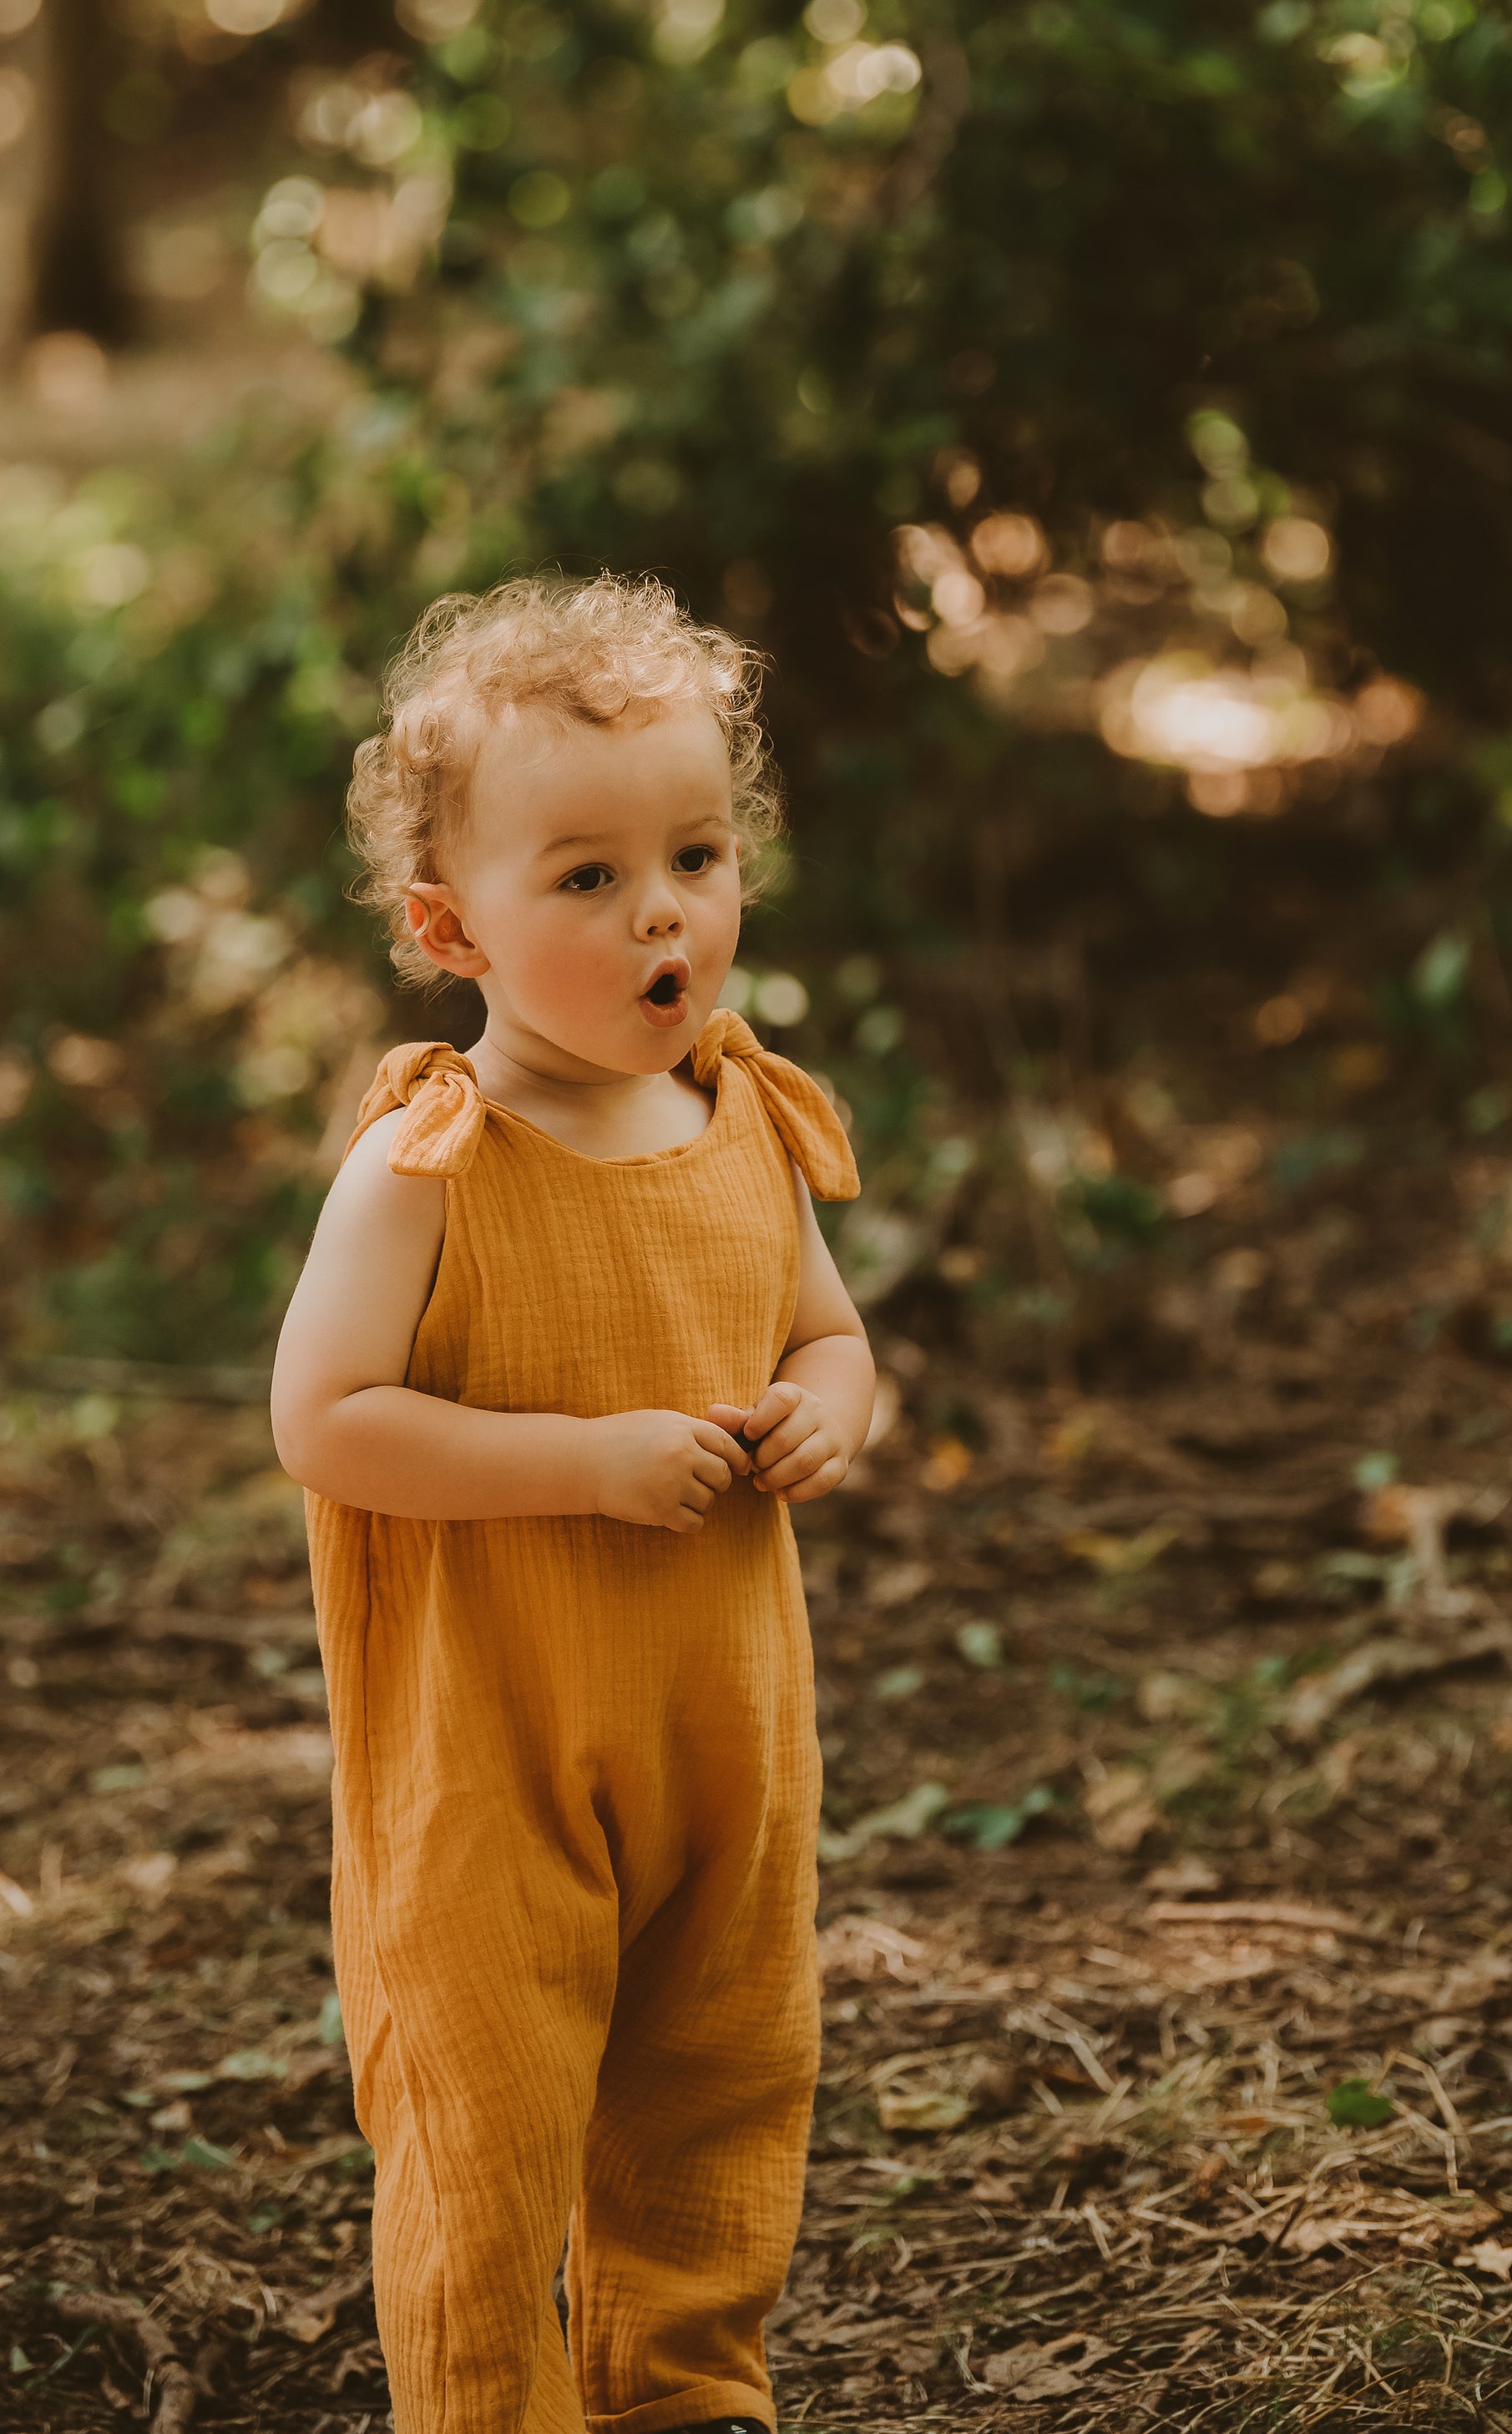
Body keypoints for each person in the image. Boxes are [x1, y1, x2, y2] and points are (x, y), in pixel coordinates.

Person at [271, 573, 874, 2434]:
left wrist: (822, 1413)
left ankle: (686, 2392)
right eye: (588, 879)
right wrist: (587, 1462)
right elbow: (325, 1418)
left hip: (725, 1740)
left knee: (717, 2085)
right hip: (492, 1759)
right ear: (451, 925)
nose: (661, 910)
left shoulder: (745, 1121)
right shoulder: (426, 1162)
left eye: (692, 853)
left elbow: (831, 1340)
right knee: (490, 2127)